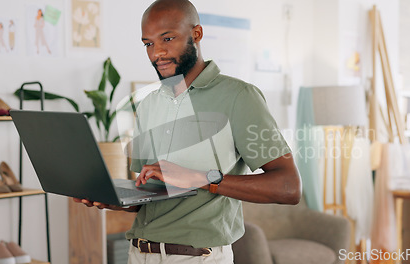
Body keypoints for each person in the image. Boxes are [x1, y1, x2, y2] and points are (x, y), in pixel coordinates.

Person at [74, 0, 301, 263]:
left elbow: (289, 188)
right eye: (148, 43)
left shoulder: (240, 97)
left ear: (197, 34)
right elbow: (152, 196)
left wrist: (199, 178)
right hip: (139, 254)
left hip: (197, 257)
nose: (157, 53)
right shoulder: (148, 105)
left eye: (167, 38)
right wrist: (116, 201)